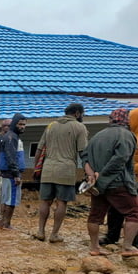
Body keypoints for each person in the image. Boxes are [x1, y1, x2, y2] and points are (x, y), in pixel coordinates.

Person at [81, 108, 138, 257]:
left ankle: (94, 248)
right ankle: (127, 247)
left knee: (95, 216)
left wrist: (92, 177)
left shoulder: (97, 136)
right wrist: (103, 178)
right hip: (119, 183)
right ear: (126, 120)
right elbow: (120, 160)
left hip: (97, 186)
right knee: (134, 213)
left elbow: (84, 158)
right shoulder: (126, 135)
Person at [34, 103, 88, 243]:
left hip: (48, 169)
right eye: (82, 114)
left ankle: (40, 231)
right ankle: (54, 234)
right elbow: (83, 152)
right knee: (61, 202)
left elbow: (39, 149)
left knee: (45, 201)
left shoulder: (51, 125)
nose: (83, 116)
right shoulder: (79, 127)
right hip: (66, 170)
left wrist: (36, 168)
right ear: (77, 113)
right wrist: (88, 171)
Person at [100, 107, 138, 247]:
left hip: (131, 177)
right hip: (125, 178)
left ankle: (134, 241)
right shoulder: (126, 135)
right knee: (116, 207)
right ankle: (112, 236)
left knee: (133, 210)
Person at [0, 113, 27, 230]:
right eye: (20, 124)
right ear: (14, 124)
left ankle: (3, 223)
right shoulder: (11, 137)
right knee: (11, 200)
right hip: (11, 174)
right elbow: (11, 157)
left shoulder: (11, 137)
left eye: (24, 125)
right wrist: (16, 175)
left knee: (6, 199)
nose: (23, 127)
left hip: (8, 174)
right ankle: (6, 224)